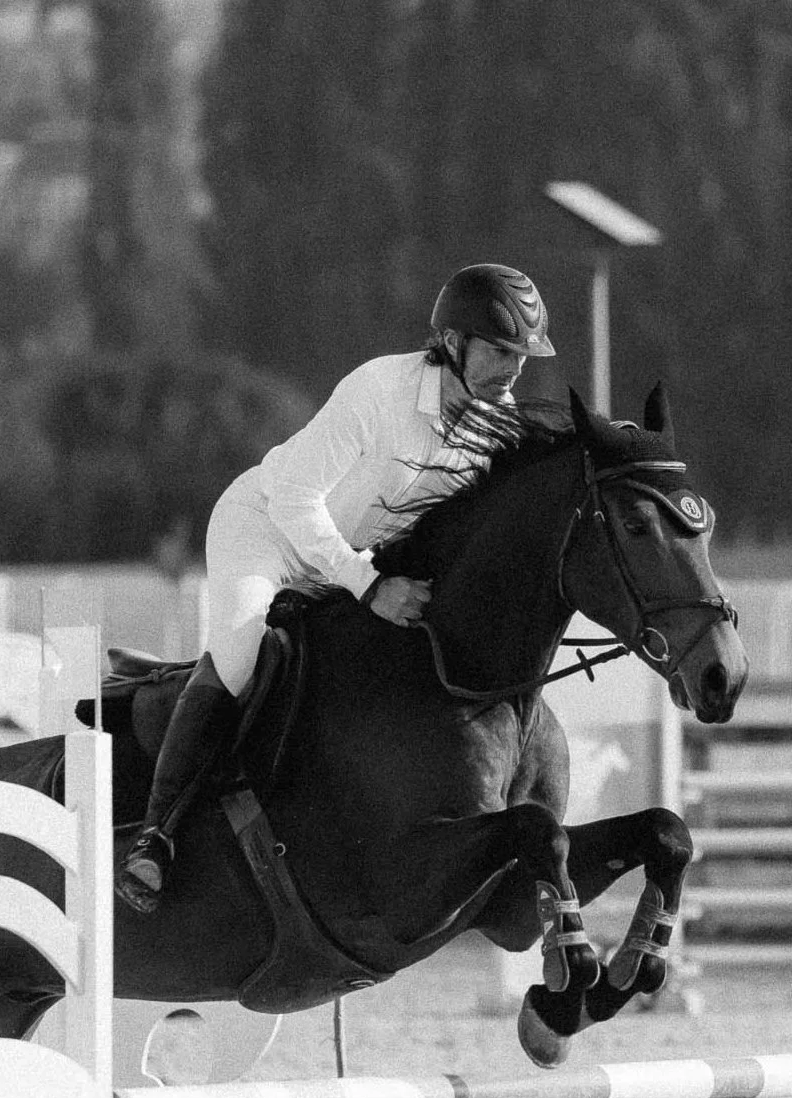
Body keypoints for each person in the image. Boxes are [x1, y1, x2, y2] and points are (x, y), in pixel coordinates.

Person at [114, 263, 555, 913]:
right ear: (453, 343)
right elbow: (296, 500)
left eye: (522, 356)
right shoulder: (379, 389)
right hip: (265, 533)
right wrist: (369, 587)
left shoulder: (498, 423)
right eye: (499, 352)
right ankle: (156, 837)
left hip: (352, 565)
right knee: (238, 658)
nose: (513, 371)